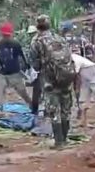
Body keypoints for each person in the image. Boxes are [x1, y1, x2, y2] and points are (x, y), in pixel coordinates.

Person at [30, 15, 75, 148]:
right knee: (66, 109)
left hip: (49, 80)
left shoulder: (36, 41)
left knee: (54, 110)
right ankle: (65, 139)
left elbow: (35, 64)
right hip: (66, 78)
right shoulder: (59, 38)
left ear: (37, 26)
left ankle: (59, 142)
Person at [0, 22, 31, 108]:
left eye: (6, 35)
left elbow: (22, 56)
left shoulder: (15, 44)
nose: (5, 37)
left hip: (15, 73)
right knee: (0, 93)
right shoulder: (0, 44)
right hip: (3, 74)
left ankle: (31, 105)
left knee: (23, 93)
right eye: (4, 35)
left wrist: (26, 66)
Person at [26, 25, 42, 114]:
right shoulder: (43, 39)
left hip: (39, 69)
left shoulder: (35, 42)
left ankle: (35, 109)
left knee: (37, 90)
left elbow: (33, 56)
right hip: (44, 68)